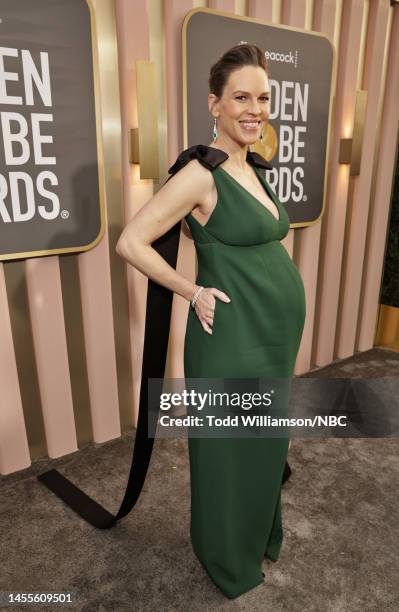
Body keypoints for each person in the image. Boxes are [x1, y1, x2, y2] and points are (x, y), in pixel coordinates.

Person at [116, 43, 306, 599]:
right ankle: (226, 557)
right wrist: (190, 289)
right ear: (215, 105)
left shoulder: (250, 168)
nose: (255, 108)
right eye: (241, 97)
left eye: (263, 97)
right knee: (228, 452)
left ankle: (256, 534)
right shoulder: (200, 174)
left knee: (264, 445)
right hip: (231, 343)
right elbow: (132, 241)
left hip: (272, 341)